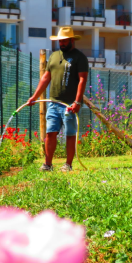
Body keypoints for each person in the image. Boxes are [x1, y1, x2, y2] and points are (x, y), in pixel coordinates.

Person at [27, 27, 88, 172]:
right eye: (60, 41)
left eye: (64, 41)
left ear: (72, 40)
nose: (61, 43)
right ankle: (48, 164)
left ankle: (68, 165)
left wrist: (77, 102)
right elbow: (46, 78)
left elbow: (82, 80)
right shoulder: (54, 56)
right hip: (53, 103)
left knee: (70, 134)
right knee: (50, 133)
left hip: (69, 105)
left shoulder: (80, 57)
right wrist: (34, 97)